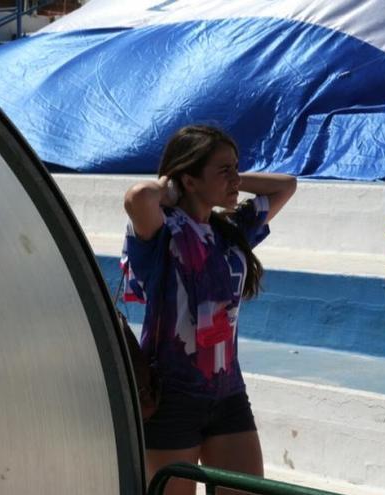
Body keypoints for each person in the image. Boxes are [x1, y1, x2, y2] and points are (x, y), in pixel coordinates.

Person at [122, 124, 296, 495]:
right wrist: (173, 187)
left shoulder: (230, 228)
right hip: (171, 395)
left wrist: (227, 181)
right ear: (188, 179)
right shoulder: (162, 231)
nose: (235, 178)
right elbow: (138, 196)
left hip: (227, 393)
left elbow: (287, 185)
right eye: (224, 170)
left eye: (236, 168)